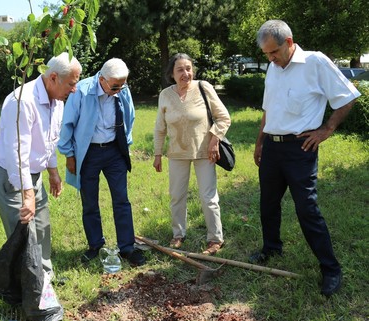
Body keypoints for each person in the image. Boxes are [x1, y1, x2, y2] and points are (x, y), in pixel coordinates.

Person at [250, 20, 361, 296]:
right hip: (272, 149)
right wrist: (260, 141)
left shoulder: (316, 62)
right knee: (268, 204)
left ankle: (331, 269)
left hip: (300, 149)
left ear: (289, 42)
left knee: (306, 209)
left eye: (273, 52)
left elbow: (347, 97)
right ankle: (271, 248)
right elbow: (269, 108)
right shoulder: (273, 68)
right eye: (266, 54)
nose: (270, 59)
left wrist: (326, 130)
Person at [0, 52, 82, 276]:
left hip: (34, 176)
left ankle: (45, 278)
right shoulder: (21, 101)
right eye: (71, 83)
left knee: (41, 230)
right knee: (23, 238)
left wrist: (53, 172)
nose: (74, 90)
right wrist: (27, 195)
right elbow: (16, 154)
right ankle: (26, 292)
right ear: (53, 78)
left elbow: (49, 140)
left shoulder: (57, 100)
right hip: (12, 181)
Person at [58, 58, 146, 267]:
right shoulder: (81, 90)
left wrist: (126, 144)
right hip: (89, 154)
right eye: (115, 86)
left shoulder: (121, 89)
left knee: (122, 200)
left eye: (123, 85)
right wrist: (70, 155)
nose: (120, 90)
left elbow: (129, 117)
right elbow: (67, 124)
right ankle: (95, 245)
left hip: (115, 152)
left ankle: (127, 247)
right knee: (90, 202)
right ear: (102, 79)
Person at [153, 53, 231, 255]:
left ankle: (215, 239)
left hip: (205, 152)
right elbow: (160, 128)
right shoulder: (165, 95)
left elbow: (224, 118)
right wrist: (157, 154)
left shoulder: (203, 87)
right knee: (177, 196)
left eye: (188, 68)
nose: (185, 73)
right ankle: (178, 235)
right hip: (177, 153)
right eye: (180, 69)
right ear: (172, 73)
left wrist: (214, 140)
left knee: (208, 197)